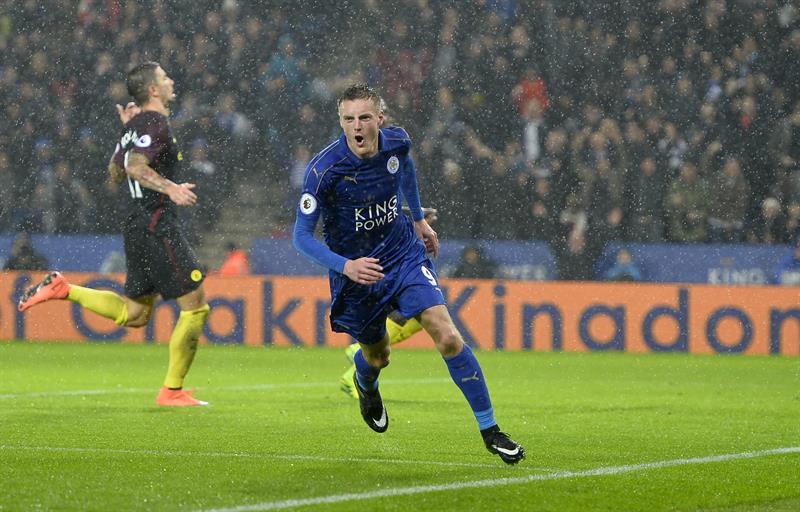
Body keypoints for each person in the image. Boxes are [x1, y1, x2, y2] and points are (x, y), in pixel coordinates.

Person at [293, 83, 524, 464]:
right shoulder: (324, 170)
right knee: (378, 356)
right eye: (349, 119)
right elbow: (300, 238)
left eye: (365, 117)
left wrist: (416, 219)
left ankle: (491, 430)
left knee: (448, 336)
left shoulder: (396, 142)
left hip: (403, 255)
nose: (357, 126)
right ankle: (365, 383)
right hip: (357, 276)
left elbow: (407, 171)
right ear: (340, 122)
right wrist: (346, 265)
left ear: (379, 119)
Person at [18, 62, 210, 407]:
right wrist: (171, 189)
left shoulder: (137, 127)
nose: (171, 81)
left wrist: (126, 137)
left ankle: (64, 288)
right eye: (165, 77)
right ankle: (172, 390)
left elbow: (115, 171)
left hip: (137, 223)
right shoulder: (155, 123)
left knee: (135, 315)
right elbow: (135, 168)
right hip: (156, 223)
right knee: (195, 307)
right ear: (153, 89)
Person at [338, 206, 438, 399]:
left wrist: (418, 218)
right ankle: (353, 373)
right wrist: (417, 215)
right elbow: (380, 209)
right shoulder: (363, 198)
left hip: (388, 264)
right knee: (420, 311)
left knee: (420, 315)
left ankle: (358, 353)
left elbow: (387, 207)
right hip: (378, 266)